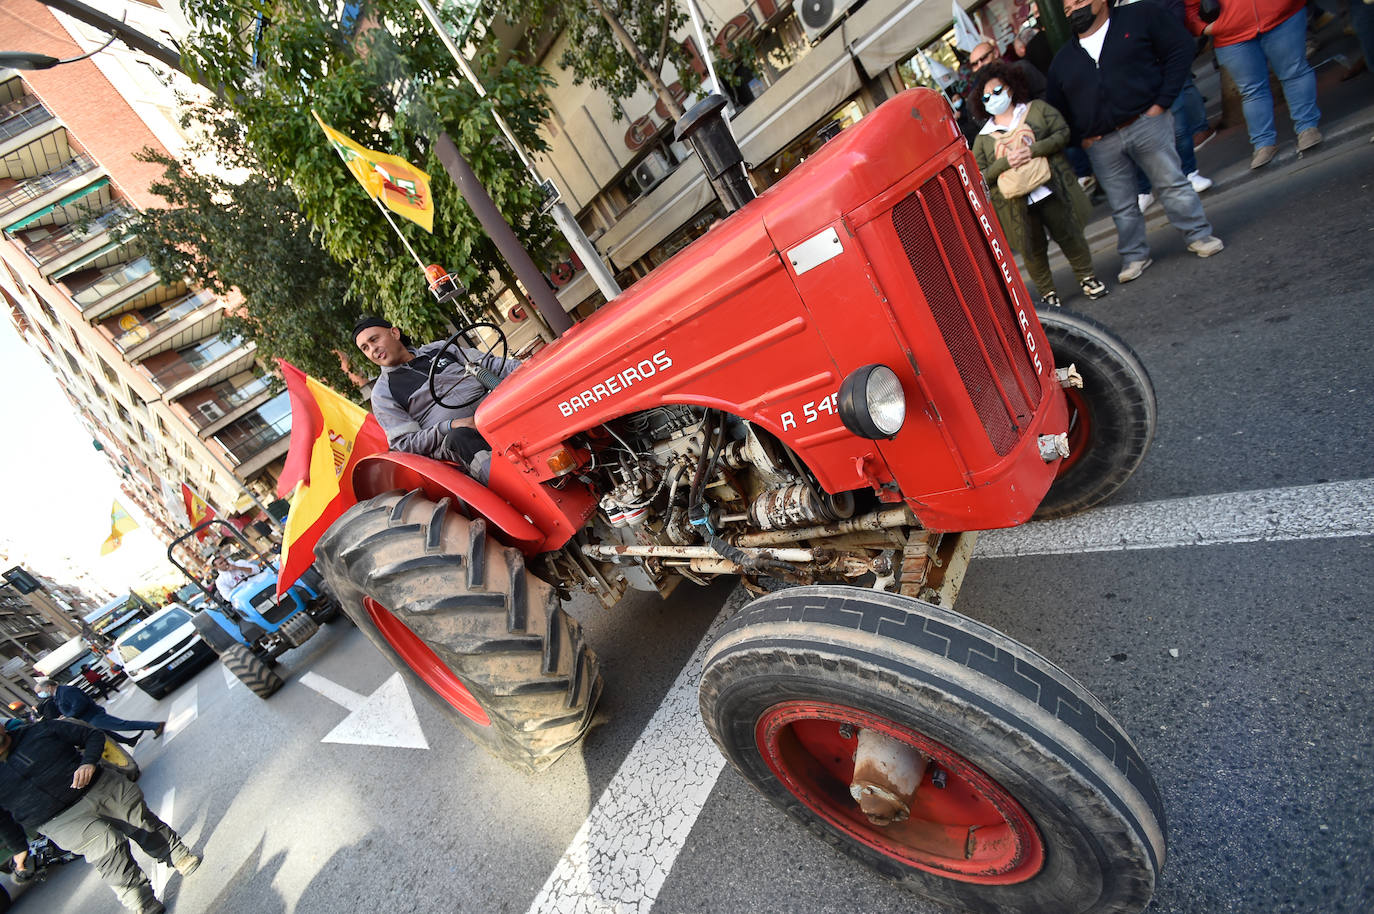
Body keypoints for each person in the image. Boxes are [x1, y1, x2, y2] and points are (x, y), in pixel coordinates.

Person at [1047, 0, 1225, 283]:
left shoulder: (1140, 17)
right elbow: (1056, 108)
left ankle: (1199, 235)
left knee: (1172, 184)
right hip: (1102, 143)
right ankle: (1134, 256)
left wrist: (1162, 103)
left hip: (1146, 123)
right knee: (1122, 205)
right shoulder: (1063, 60)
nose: (1074, 11)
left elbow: (1179, 48)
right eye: (1068, 9)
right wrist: (1083, 138)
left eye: (1079, 2)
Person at [0, 718, 199, 913]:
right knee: (107, 851)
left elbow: (92, 735)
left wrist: (88, 762)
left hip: (100, 787)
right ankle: (142, 902)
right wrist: (19, 848)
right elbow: (2, 817)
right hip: (59, 821)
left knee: (140, 822)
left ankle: (177, 854)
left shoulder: (40, 730)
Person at [971, 63, 1110, 309]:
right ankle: (1048, 295)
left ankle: (1087, 277)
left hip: (1051, 188)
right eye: (986, 96)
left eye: (997, 91)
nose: (992, 98)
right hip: (1014, 202)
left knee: (1069, 234)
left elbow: (1062, 133)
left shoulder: (1037, 110)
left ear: (1010, 88)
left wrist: (1034, 150)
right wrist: (1005, 162)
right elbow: (979, 175)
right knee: (1032, 249)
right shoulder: (982, 139)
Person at [353, 316, 520, 483]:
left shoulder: (439, 349)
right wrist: (450, 425)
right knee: (459, 437)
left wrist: (528, 367)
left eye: (374, 339)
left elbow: (493, 365)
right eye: (365, 348)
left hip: (493, 409)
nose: (372, 349)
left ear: (395, 333)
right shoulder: (383, 393)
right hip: (457, 440)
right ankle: (515, 487)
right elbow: (405, 443)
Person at [1185, 0, 1322, 168]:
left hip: (1282, 16)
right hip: (1233, 34)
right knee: (1254, 90)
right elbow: (1188, 7)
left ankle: (1306, 128)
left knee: (1292, 74)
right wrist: (1203, 28)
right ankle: (1264, 143)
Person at [33, 679, 164, 747]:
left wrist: (69, 716)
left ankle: (155, 725)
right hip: (88, 719)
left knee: (122, 725)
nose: (40, 694)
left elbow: (80, 704)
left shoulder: (66, 691)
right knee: (105, 733)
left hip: (93, 716)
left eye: (40, 691)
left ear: (48, 687)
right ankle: (130, 741)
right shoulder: (58, 695)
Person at [969, 38, 1048, 98]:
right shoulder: (976, 95)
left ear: (995, 53)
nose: (980, 65)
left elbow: (1045, 94)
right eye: (975, 64)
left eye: (983, 58)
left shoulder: (1022, 69)